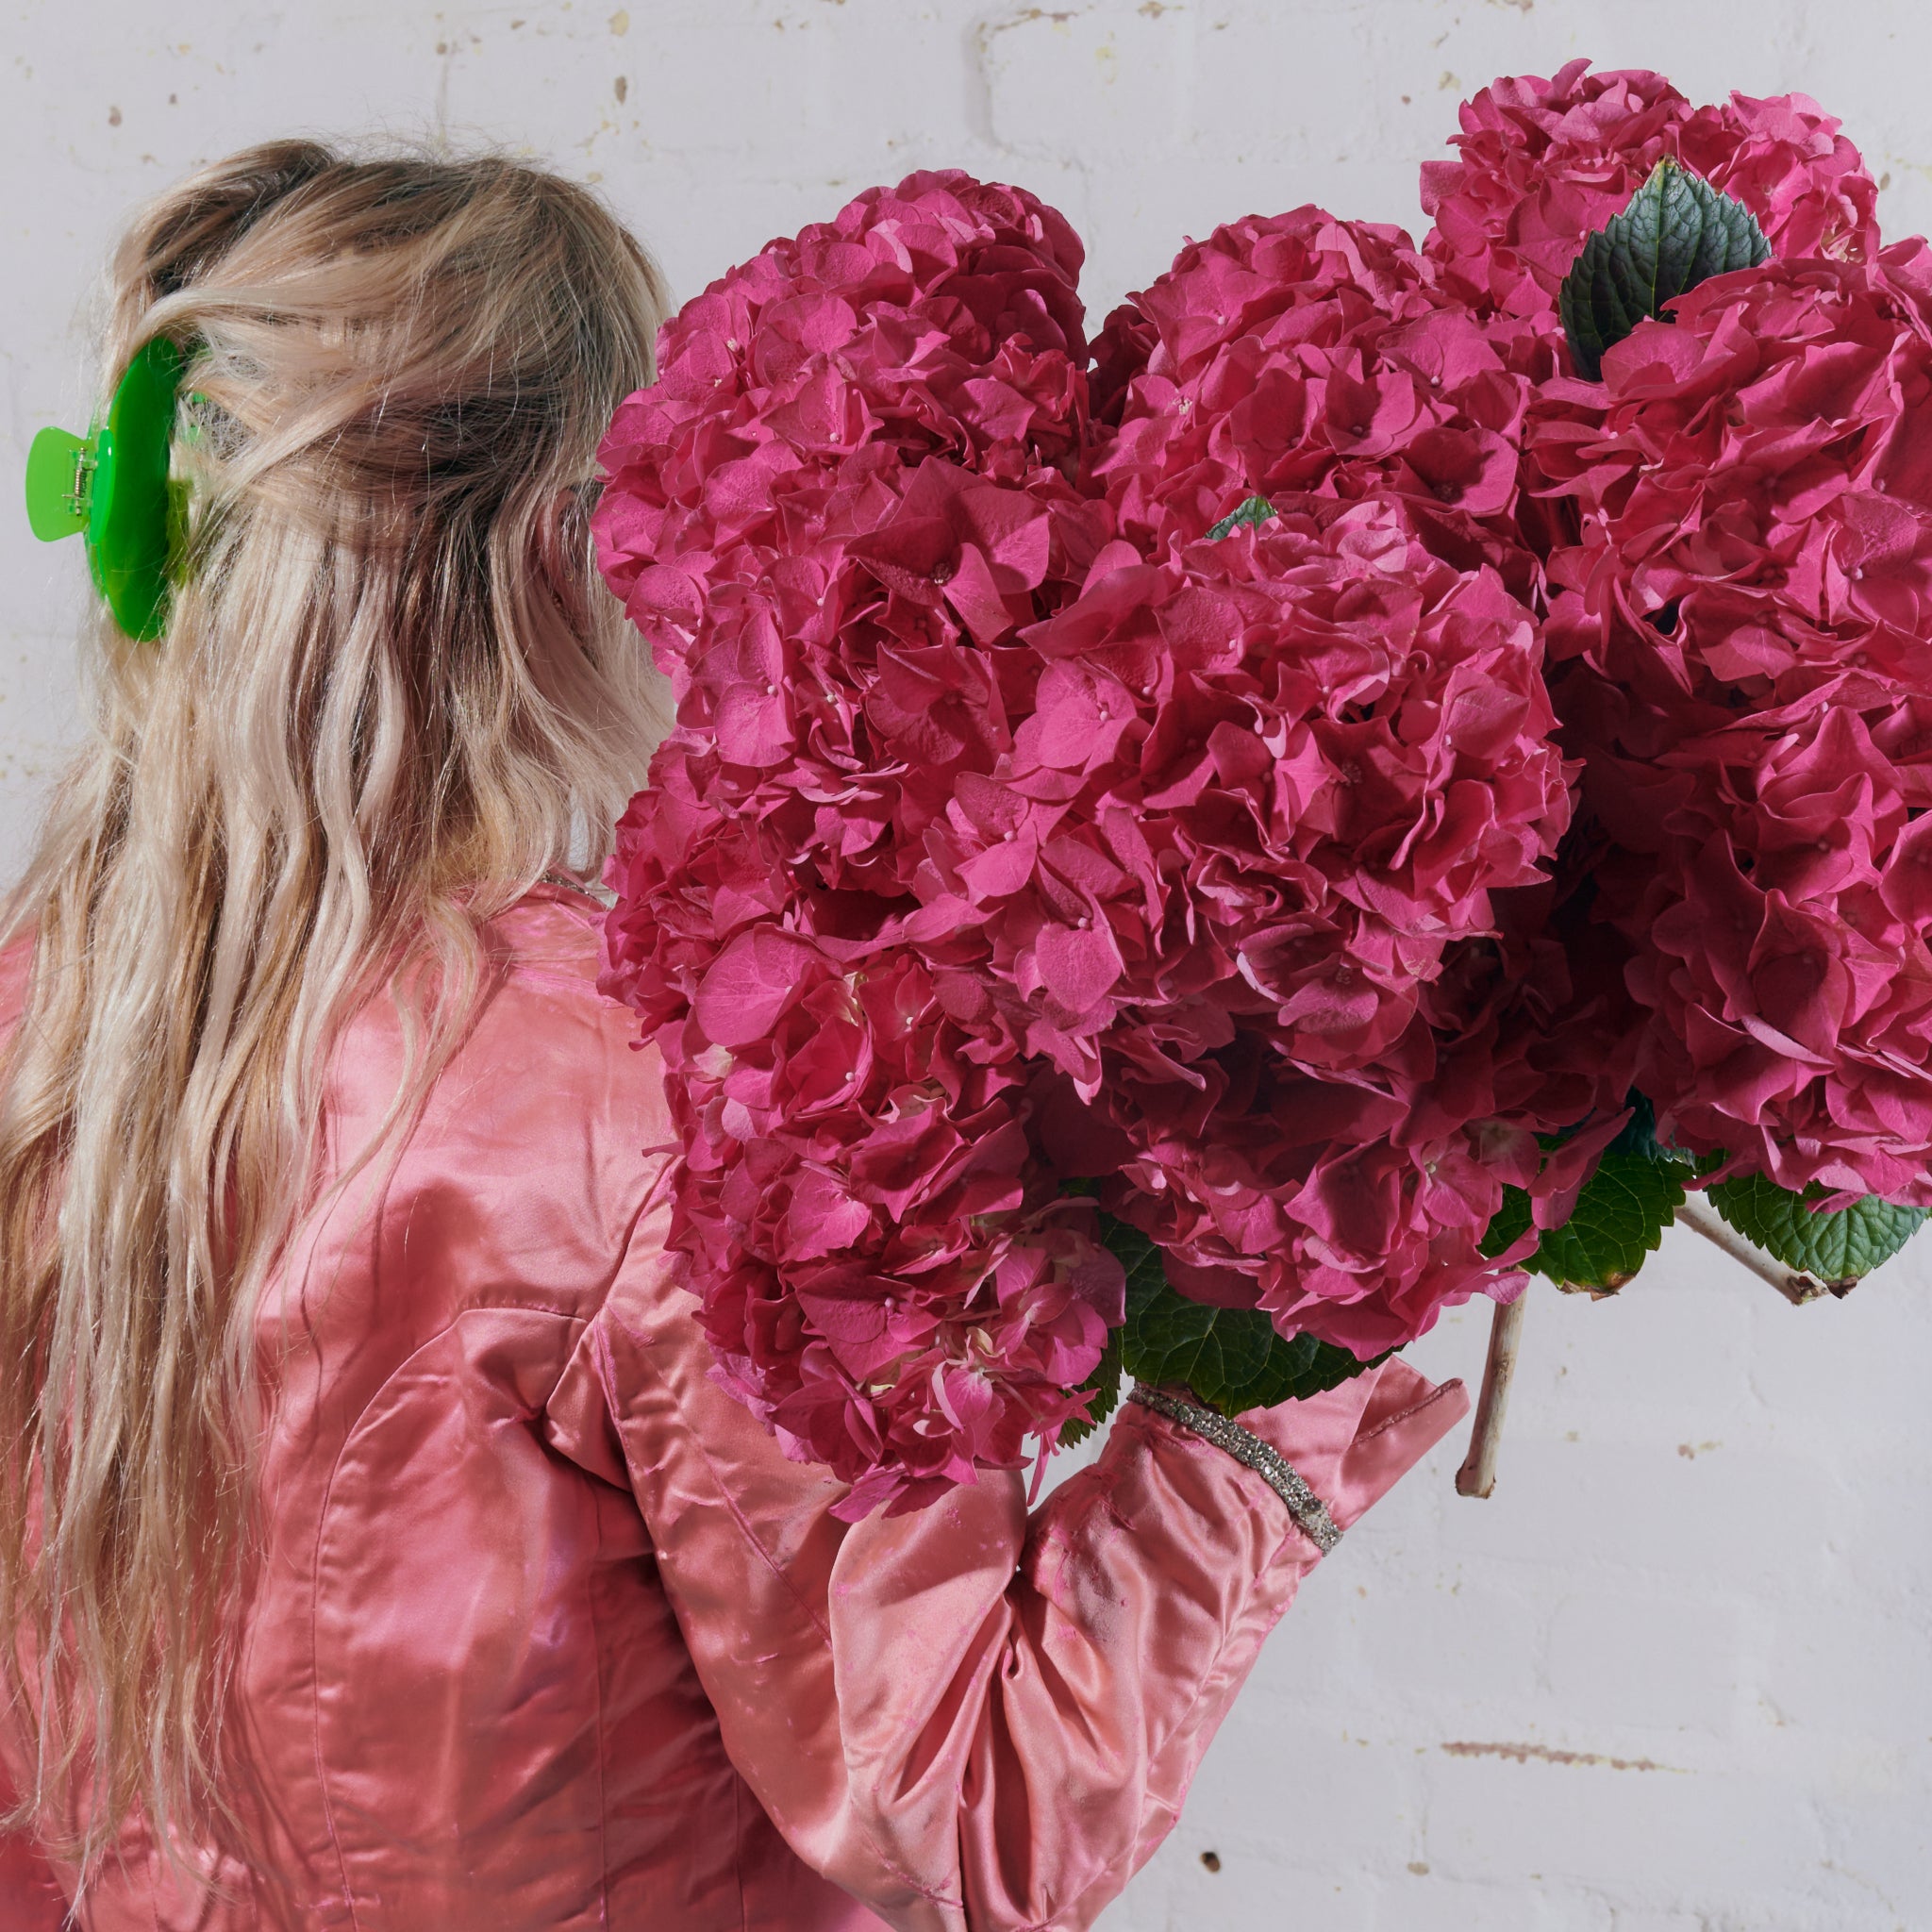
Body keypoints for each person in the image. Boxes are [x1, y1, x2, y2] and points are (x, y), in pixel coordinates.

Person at [0, 142, 1470, 1931]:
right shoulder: (673, 1105)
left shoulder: (45, 1023)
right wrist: (1279, 1378)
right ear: (573, 546)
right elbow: (980, 1810)